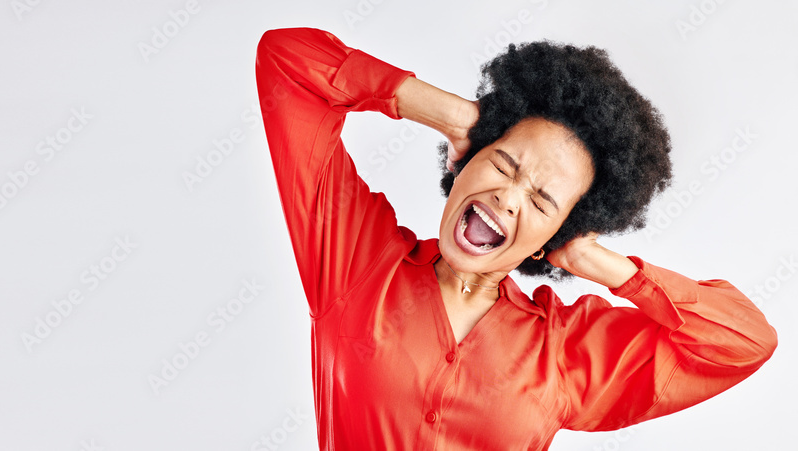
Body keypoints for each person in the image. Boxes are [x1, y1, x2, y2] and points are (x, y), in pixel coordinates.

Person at [254, 26, 777, 450]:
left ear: (554, 235)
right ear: (463, 164)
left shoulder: (565, 353)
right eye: (503, 164)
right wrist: (455, 115)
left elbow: (741, 343)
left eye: (543, 203)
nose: (508, 197)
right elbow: (287, 60)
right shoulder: (355, 260)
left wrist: (598, 262)